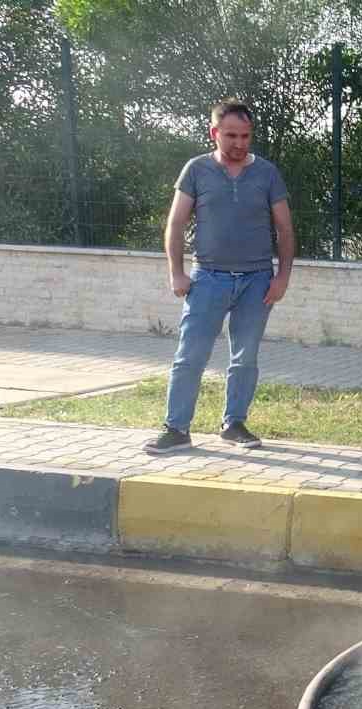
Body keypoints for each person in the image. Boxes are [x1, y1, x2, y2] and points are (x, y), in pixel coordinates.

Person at [144, 99, 295, 454]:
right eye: (231, 135)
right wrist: (177, 272)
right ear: (214, 133)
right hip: (208, 278)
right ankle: (177, 429)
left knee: (245, 357)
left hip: (257, 281)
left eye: (246, 136)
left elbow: (285, 229)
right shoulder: (196, 170)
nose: (240, 143)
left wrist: (282, 276)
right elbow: (176, 223)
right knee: (190, 356)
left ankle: (235, 424)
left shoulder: (268, 173)